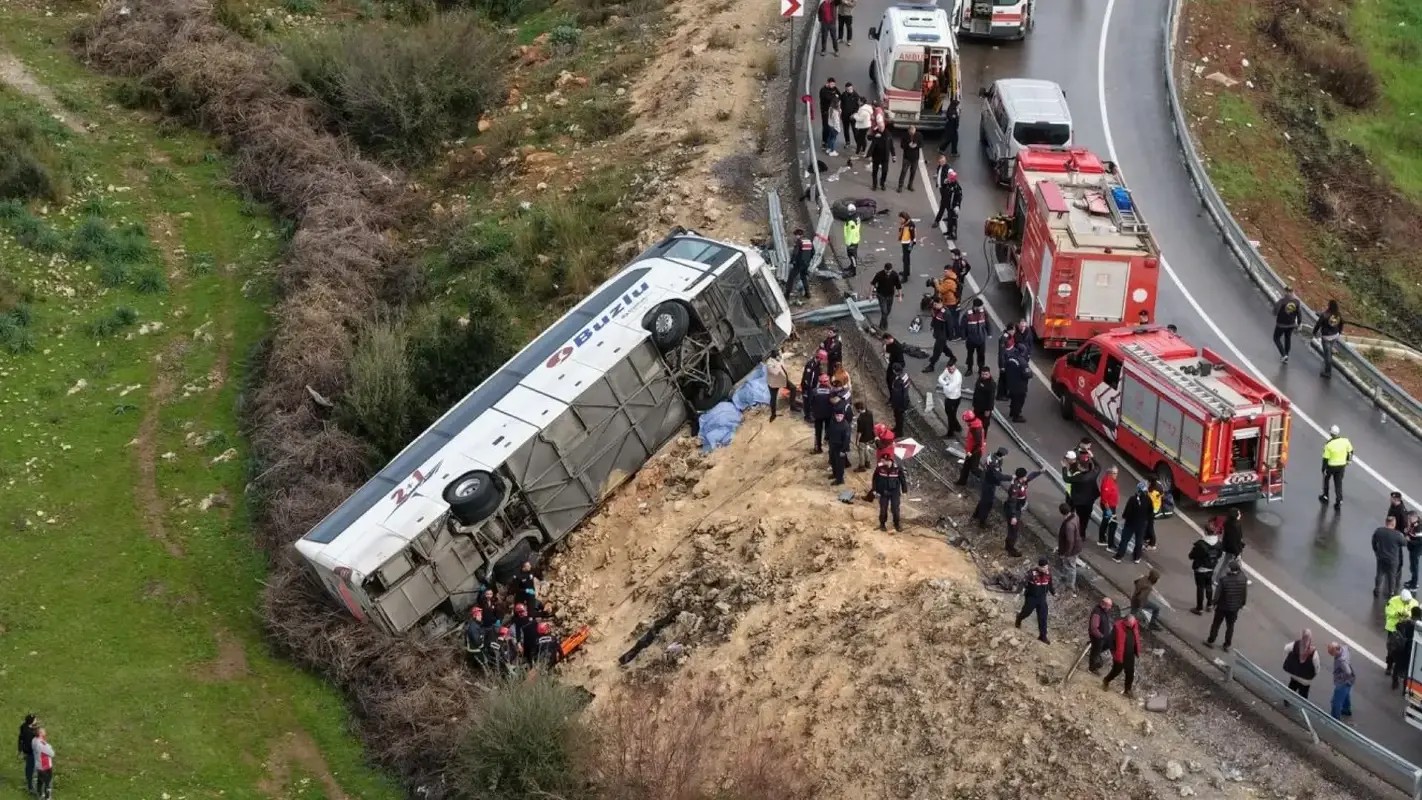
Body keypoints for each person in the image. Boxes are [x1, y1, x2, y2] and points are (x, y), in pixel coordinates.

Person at [1206, 561, 1248, 651]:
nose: (1226, 569)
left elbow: (1217, 594)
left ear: (1231, 569)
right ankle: (1227, 644)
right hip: (1234, 608)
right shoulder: (1243, 579)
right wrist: (1242, 604)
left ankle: (1211, 640)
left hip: (1222, 606)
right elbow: (1244, 593)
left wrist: (1214, 603)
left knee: (1216, 624)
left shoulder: (1224, 580)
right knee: (1230, 626)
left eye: (1228, 567)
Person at [1003, 466, 1043, 557]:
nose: (1026, 477)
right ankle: (1010, 549)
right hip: (1013, 510)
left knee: (1014, 529)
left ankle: (1009, 545)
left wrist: (1039, 472)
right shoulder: (1015, 487)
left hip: (1018, 508)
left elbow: (1030, 477)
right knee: (1013, 530)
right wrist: (1013, 516)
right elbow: (1012, 502)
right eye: (1025, 476)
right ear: (1021, 477)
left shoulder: (1022, 481)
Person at [1015, 556, 1055, 644]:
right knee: (1026, 612)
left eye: (1046, 566)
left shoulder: (1048, 574)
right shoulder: (1032, 573)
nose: (1045, 569)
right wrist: (1018, 593)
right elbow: (1023, 582)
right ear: (1039, 567)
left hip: (1042, 598)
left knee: (1043, 617)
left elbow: (1050, 584)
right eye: (1043, 567)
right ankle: (1019, 618)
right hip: (1031, 597)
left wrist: (1053, 592)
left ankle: (1043, 636)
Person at [1103, 613, 1142, 698]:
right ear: (1125, 621)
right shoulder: (1117, 627)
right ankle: (1106, 680)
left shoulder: (1134, 625)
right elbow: (1110, 641)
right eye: (1130, 624)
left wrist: (1137, 650)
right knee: (1116, 670)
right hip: (1119, 654)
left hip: (1130, 654)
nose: (1132, 625)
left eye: (1133, 623)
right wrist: (1114, 652)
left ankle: (1127, 690)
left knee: (1130, 672)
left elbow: (1136, 637)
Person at [1113, 481, 1152, 564]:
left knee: (1125, 540)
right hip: (1141, 524)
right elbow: (1151, 512)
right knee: (1139, 541)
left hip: (1130, 524)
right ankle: (1137, 557)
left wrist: (1124, 517)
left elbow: (1127, 512)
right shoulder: (1148, 499)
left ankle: (1119, 556)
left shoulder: (1133, 499)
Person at [1188, 523, 1221, 615]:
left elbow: (1191, 555)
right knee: (1209, 586)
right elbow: (1219, 555)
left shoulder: (1201, 544)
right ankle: (1209, 605)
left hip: (1200, 569)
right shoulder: (1218, 543)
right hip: (1211, 568)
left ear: (1205, 531)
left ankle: (1199, 608)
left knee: (1200, 588)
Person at [1318, 424, 1353, 509]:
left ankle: (1325, 496)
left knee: (1326, 480)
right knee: (1338, 483)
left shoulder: (1329, 445)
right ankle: (1339, 500)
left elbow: (1325, 458)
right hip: (1341, 466)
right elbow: (1351, 451)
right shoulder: (1345, 441)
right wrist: (1349, 461)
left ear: (1331, 434)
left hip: (1331, 466)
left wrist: (1323, 469)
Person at [972, 447, 1010, 526]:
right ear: (1002, 455)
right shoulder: (994, 463)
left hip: (986, 478)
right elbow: (999, 476)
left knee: (983, 499)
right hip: (989, 482)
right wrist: (1011, 477)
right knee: (988, 503)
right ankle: (982, 521)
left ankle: (976, 514)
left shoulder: (992, 456)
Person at [1384, 589, 1419, 675]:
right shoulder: (1393, 601)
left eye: (1408, 601)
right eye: (1406, 601)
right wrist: (1398, 614)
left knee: (1404, 651)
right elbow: (1388, 612)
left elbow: (1416, 613)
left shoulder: (1414, 602)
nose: (1407, 603)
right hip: (1393, 629)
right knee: (1392, 649)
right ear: (1401, 598)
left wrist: (1408, 617)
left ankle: (1400, 669)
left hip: (1405, 630)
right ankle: (1389, 666)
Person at [1211, 506, 1246, 586]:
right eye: (1239, 513)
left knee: (1233, 563)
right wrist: (1237, 552)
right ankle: (1217, 579)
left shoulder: (1228, 523)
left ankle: (1242, 578)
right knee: (1228, 563)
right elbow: (1235, 540)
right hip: (1234, 549)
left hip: (1228, 547)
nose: (1240, 514)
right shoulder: (1236, 526)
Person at [873, 452, 908, 532]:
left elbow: (903, 480)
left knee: (895, 509)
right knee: (883, 509)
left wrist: (904, 491)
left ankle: (897, 524)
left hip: (894, 492)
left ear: (888, 461)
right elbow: (875, 479)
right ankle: (882, 524)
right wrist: (875, 490)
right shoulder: (879, 468)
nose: (881, 462)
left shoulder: (897, 468)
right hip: (883, 491)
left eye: (883, 460)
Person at [1373, 517, 1407, 598]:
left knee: (1379, 574)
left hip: (1381, 557)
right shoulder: (1397, 535)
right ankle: (1391, 592)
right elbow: (1405, 543)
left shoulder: (1379, 531)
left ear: (1386, 522)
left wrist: (1376, 551)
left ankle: (1377, 589)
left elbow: (1374, 542)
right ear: (1393, 524)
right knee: (1392, 576)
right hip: (1393, 559)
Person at [1311, 299, 1345, 379]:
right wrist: (1339, 332)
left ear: (1329, 305)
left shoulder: (1325, 315)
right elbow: (1342, 323)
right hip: (1335, 335)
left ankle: (1328, 372)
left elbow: (1318, 324)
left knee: (1327, 354)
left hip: (1326, 337)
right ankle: (1327, 366)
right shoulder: (1338, 314)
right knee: (1329, 352)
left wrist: (1314, 332)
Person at [1283, 629, 1320, 700]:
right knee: (1303, 693)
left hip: (1294, 673)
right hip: (1305, 679)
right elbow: (1317, 667)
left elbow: (1286, 648)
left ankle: (1287, 700)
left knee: (1292, 686)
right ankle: (1302, 707)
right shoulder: (1313, 653)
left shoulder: (1295, 644)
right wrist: (1314, 674)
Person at [1392, 607, 1422, 690]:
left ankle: (1394, 682)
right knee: (1408, 670)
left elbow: (1397, 627)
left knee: (1397, 666)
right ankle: (1405, 688)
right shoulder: (1417, 626)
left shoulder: (1404, 622)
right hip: (1409, 651)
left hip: (1400, 648)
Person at [1055, 501, 1082, 592]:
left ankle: (1070, 585)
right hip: (1077, 546)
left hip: (1071, 550)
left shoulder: (1068, 525)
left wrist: (1066, 553)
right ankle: (1067, 579)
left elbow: (1070, 541)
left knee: (1070, 566)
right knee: (1069, 565)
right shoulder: (1075, 516)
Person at [1272, 287, 1303, 363]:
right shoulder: (1297, 302)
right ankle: (1286, 355)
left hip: (1281, 325)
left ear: (1286, 292)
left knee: (1276, 338)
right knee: (1287, 338)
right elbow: (1299, 314)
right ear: (1293, 292)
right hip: (1291, 325)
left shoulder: (1282, 301)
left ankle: (1283, 354)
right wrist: (1299, 324)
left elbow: (1275, 312)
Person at [1002, 342, 1031, 422]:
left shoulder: (1010, 357)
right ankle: (1016, 416)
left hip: (1010, 383)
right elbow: (1028, 374)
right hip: (1020, 386)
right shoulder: (1023, 362)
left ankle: (1012, 412)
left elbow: (1005, 368)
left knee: (1013, 399)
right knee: (1019, 401)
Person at [956, 410, 985, 486]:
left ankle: (986, 478)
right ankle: (961, 482)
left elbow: (978, 443)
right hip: (972, 450)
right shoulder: (975, 424)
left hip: (975, 452)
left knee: (974, 469)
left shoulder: (975, 429)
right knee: (966, 467)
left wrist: (970, 452)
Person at [870, 262, 902, 330]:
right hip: (881, 295)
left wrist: (900, 296)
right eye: (886, 272)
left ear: (891, 270)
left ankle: (882, 323)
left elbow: (898, 286)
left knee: (888, 311)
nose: (888, 273)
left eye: (889, 272)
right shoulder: (879, 274)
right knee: (884, 311)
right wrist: (870, 295)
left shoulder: (895, 275)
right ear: (884, 269)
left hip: (890, 295)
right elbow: (873, 284)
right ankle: (883, 327)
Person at [1327, 642, 1355, 720]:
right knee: (1346, 694)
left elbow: (1348, 672)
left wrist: (1340, 677)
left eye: (1332, 653)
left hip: (1343, 682)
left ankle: (1335, 719)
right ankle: (1346, 710)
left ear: (1336, 650)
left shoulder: (1341, 660)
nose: (1331, 655)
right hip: (1350, 680)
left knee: (1336, 702)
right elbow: (1348, 649)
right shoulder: (1344, 648)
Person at [828, 399, 853, 485]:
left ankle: (839, 479)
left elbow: (847, 439)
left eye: (840, 416)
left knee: (840, 465)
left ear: (843, 416)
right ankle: (835, 474)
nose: (838, 418)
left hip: (840, 448)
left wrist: (843, 450)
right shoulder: (833, 422)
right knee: (833, 461)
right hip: (832, 445)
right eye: (837, 416)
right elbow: (829, 431)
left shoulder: (845, 426)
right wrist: (827, 439)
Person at [1088, 597, 1116, 674]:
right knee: (1095, 652)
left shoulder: (1104, 611)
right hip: (1097, 637)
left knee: (1103, 647)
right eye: (1109, 606)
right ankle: (1092, 668)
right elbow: (1094, 628)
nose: (1110, 608)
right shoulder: (1097, 613)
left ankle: (1095, 655)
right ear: (1103, 605)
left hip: (1104, 636)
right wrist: (1100, 636)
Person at [923, 299, 951, 372]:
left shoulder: (946, 313)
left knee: (937, 350)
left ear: (941, 303)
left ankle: (931, 365)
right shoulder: (936, 310)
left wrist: (949, 336)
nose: (934, 306)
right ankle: (952, 357)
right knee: (943, 347)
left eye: (936, 305)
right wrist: (932, 325)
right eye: (934, 305)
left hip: (942, 335)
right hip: (937, 333)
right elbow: (934, 318)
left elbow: (950, 326)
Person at [933, 167, 962, 238]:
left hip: (953, 206)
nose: (948, 179)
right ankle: (949, 232)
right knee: (949, 219)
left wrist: (957, 206)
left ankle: (953, 234)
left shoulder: (956, 187)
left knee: (953, 220)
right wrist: (945, 183)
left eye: (949, 178)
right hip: (948, 204)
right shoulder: (949, 184)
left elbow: (959, 197)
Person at [962, 298, 989, 372]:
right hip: (971, 339)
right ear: (975, 307)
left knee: (981, 355)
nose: (982, 308)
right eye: (980, 306)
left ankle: (980, 369)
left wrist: (989, 333)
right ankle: (969, 369)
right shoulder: (968, 314)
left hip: (981, 339)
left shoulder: (984, 312)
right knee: (970, 355)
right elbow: (963, 327)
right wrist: (964, 337)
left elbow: (987, 322)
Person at [809, 374, 834, 454]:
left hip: (818, 415)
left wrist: (813, 412)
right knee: (829, 431)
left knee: (818, 432)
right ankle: (831, 448)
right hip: (828, 415)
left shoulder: (815, 391)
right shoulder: (831, 391)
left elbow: (810, 402)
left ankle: (818, 448)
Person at [937, 360, 963, 437]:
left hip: (954, 398)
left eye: (953, 369)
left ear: (955, 367)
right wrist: (946, 383)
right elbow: (940, 378)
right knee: (950, 413)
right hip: (948, 396)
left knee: (951, 416)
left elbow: (950, 389)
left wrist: (945, 384)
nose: (951, 371)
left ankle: (950, 433)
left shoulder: (957, 376)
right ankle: (957, 427)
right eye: (949, 369)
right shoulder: (946, 370)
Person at [786, 227, 813, 299]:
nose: (795, 237)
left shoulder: (799, 242)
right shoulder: (809, 241)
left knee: (791, 277)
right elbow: (813, 252)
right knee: (803, 277)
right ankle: (808, 294)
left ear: (798, 235)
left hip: (799, 263)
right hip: (806, 264)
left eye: (796, 235)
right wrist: (808, 260)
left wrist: (792, 261)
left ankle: (787, 295)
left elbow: (795, 253)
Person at [1098, 465, 1120, 548]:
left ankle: (1102, 538)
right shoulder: (1108, 482)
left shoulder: (1111, 480)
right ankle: (1110, 545)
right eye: (1114, 473)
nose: (1115, 475)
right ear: (1110, 473)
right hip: (1108, 506)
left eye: (1116, 473)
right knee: (1113, 524)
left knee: (1105, 521)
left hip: (1111, 506)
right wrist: (1108, 510)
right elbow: (1104, 498)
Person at [764, 350, 790, 420]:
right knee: (773, 399)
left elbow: (785, 355)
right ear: (773, 356)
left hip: (782, 380)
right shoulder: (769, 363)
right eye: (777, 354)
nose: (779, 355)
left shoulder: (779, 358)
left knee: (793, 388)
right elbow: (775, 372)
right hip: (774, 384)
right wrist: (779, 363)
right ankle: (773, 414)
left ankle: (793, 405)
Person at [896, 125, 923, 192]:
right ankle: (900, 186)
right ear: (908, 131)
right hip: (907, 157)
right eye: (911, 132)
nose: (912, 133)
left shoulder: (919, 135)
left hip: (915, 157)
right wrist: (908, 145)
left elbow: (922, 144)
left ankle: (910, 185)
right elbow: (902, 145)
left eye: (913, 132)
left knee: (913, 172)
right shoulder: (905, 136)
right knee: (904, 171)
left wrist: (916, 145)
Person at [867, 126, 894, 191]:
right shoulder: (876, 133)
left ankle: (882, 183)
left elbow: (891, 146)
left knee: (885, 171)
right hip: (876, 156)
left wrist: (894, 155)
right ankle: (874, 185)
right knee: (875, 171)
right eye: (879, 127)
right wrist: (874, 136)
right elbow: (869, 138)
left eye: (882, 127)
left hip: (885, 157)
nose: (880, 129)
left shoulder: (888, 134)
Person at [971, 365, 995, 434]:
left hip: (985, 409)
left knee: (984, 424)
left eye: (986, 374)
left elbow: (991, 398)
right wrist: (974, 404)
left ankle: (983, 438)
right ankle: (975, 435)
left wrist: (988, 409)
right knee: (975, 421)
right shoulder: (980, 379)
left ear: (989, 374)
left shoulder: (991, 384)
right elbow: (976, 392)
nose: (984, 376)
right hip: (977, 406)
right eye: (983, 374)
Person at [17, 714, 37, 797]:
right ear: (31, 721)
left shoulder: (24, 726)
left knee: (28, 768)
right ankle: (31, 788)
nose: (36, 720)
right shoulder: (30, 734)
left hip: (26, 752)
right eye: (35, 719)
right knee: (31, 769)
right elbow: (30, 745)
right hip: (31, 753)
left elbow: (21, 738)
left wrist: (20, 750)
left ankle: (29, 783)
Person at [818, 76, 840, 148]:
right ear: (828, 83)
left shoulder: (834, 89)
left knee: (832, 126)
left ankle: (829, 141)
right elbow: (828, 98)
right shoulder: (823, 90)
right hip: (825, 111)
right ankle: (824, 141)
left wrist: (836, 96)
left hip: (832, 110)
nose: (833, 86)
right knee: (826, 126)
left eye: (834, 84)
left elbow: (839, 95)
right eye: (832, 84)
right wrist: (835, 96)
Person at [854, 400, 876, 471]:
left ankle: (861, 466)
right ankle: (868, 463)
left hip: (863, 438)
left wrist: (857, 441)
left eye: (856, 409)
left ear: (859, 409)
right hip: (870, 436)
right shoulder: (870, 413)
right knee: (866, 448)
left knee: (861, 451)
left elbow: (859, 432)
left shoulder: (860, 419)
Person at [32, 729, 53, 800]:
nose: (45, 732)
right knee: (47, 782)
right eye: (44, 731)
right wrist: (49, 746)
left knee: (40, 781)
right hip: (45, 766)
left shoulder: (34, 740)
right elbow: (52, 753)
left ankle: (40, 794)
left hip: (38, 765)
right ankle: (47, 797)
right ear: (40, 734)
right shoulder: (41, 744)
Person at [896, 211, 917, 278]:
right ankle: (906, 272)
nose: (900, 220)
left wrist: (910, 246)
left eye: (901, 218)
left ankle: (905, 277)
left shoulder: (910, 225)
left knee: (905, 259)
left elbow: (913, 237)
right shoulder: (904, 224)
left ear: (905, 218)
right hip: (905, 242)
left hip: (908, 243)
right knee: (906, 258)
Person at [1406, 512, 1422, 590]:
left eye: (1409, 518)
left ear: (1414, 517)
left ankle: (1414, 585)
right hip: (1412, 549)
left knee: (1414, 567)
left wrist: (1409, 541)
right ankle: (1413, 581)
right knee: (1412, 567)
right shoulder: (1414, 524)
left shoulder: (1419, 527)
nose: (1408, 520)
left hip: (1416, 550)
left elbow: (1420, 541)